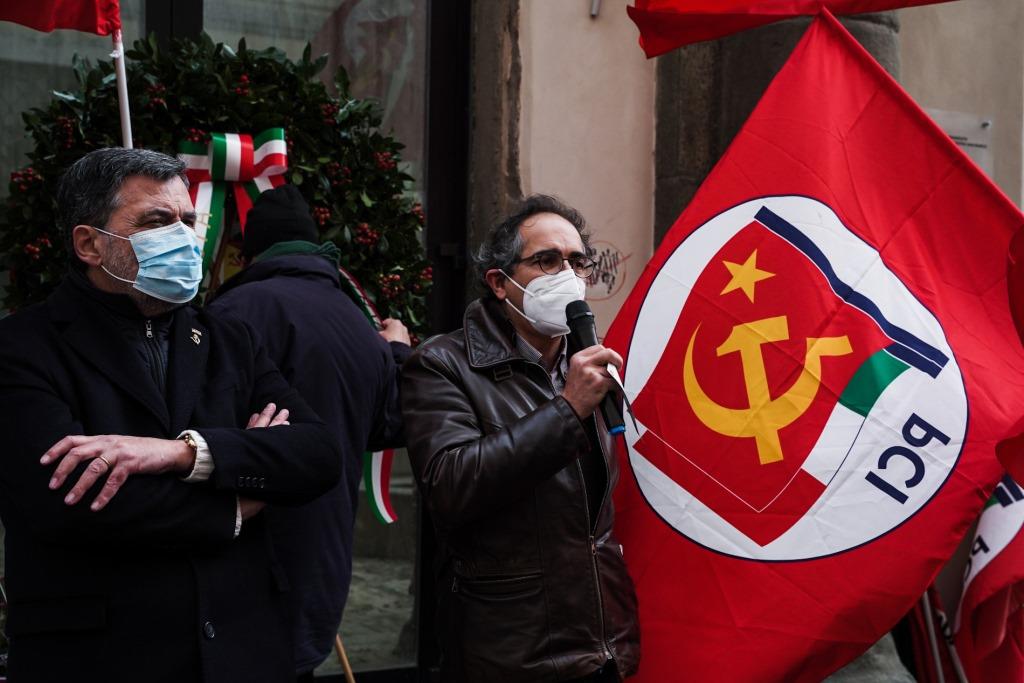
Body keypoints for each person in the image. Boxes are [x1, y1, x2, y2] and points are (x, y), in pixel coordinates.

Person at [0, 148, 344, 683]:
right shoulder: (24, 347)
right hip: (100, 658)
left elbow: (318, 455)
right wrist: (235, 504)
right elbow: (69, 499)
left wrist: (185, 453)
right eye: (157, 221)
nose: (184, 237)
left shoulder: (230, 339)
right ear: (90, 243)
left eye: (188, 220)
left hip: (243, 652)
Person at [402, 194, 640, 682]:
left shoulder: (584, 363)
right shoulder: (443, 365)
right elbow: (450, 487)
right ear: (499, 283)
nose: (567, 276)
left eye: (577, 262)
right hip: (515, 650)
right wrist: (567, 409)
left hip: (601, 644)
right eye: (546, 261)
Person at [206, 185, 410, 681]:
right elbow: (392, 421)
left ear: (248, 251)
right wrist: (398, 353)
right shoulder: (358, 322)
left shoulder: (232, 314)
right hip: (323, 556)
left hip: (248, 556)